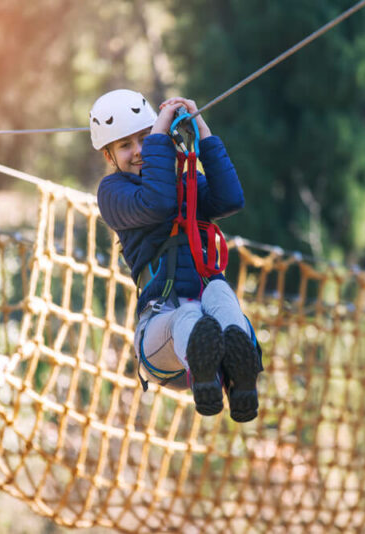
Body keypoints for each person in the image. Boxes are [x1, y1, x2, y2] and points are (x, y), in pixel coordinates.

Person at [90, 89, 262, 422]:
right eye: (126, 145)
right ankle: (204, 370)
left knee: (219, 290)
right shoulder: (113, 193)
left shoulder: (184, 182)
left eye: (144, 138)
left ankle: (240, 377)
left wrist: (202, 132)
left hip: (212, 311)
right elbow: (157, 202)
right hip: (163, 326)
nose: (139, 151)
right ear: (109, 157)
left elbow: (230, 199)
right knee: (188, 317)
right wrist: (158, 137)